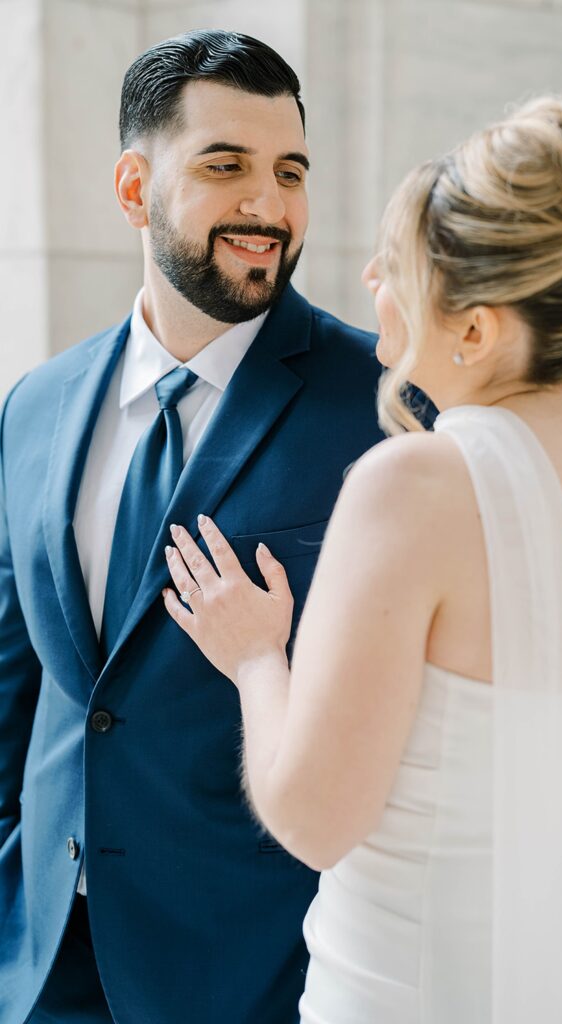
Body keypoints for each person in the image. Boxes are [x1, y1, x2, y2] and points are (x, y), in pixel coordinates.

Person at [163, 92, 562, 1021]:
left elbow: (315, 819)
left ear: (475, 330)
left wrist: (253, 658)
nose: (368, 279)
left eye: (396, 267)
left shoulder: (416, 482)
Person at [0, 29, 385, 1024]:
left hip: (253, 971)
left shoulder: (381, 404)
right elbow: (19, 682)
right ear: (134, 187)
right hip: (39, 961)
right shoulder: (36, 404)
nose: (268, 205)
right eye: (226, 166)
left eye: (289, 171)